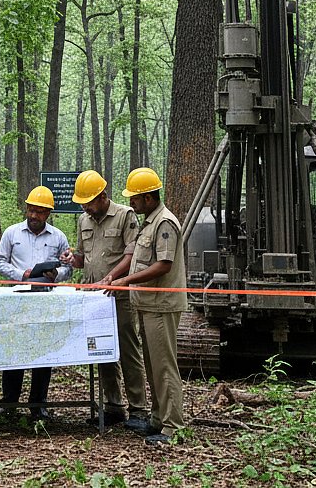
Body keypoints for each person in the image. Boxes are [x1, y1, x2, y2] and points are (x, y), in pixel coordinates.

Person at [61, 169, 151, 428]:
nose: (86, 208)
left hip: (119, 296)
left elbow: (132, 255)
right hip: (93, 297)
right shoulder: (83, 221)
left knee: (127, 349)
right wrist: (71, 259)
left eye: (89, 202)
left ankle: (138, 409)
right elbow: (83, 258)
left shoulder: (125, 216)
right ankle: (113, 406)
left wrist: (111, 278)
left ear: (102, 196)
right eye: (83, 204)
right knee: (100, 350)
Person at [110, 167, 187, 445]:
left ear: (149, 198)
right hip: (147, 304)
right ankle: (157, 419)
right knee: (153, 367)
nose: (131, 202)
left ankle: (172, 426)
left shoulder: (165, 223)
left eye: (135, 198)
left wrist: (126, 281)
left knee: (165, 367)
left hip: (161, 305)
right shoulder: (149, 222)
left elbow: (162, 265)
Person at [0, 186, 73, 421]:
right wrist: (22, 274)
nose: (34, 215)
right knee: (14, 351)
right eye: (31, 210)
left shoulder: (58, 237)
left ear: (48, 213)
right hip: (17, 299)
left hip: (46, 301)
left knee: (43, 352)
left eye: (40, 212)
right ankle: (9, 403)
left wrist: (56, 275)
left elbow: (69, 267)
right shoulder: (11, 233)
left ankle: (38, 404)